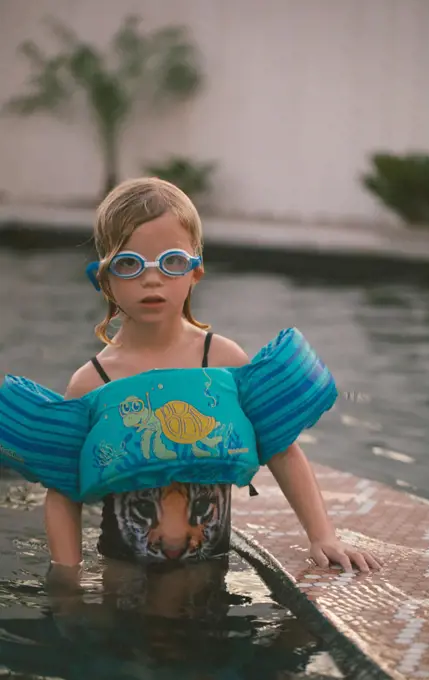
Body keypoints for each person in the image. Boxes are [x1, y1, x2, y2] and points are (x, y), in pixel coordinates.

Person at [45, 177, 382, 576]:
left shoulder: (222, 359)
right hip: (123, 572)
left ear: (195, 271)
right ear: (105, 279)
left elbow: (281, 449)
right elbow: (63, 491)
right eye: (129, 264)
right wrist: (67, 580)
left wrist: (322, 536)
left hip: (210, 566)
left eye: (170, 262)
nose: (152, 280)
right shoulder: (92, 381)